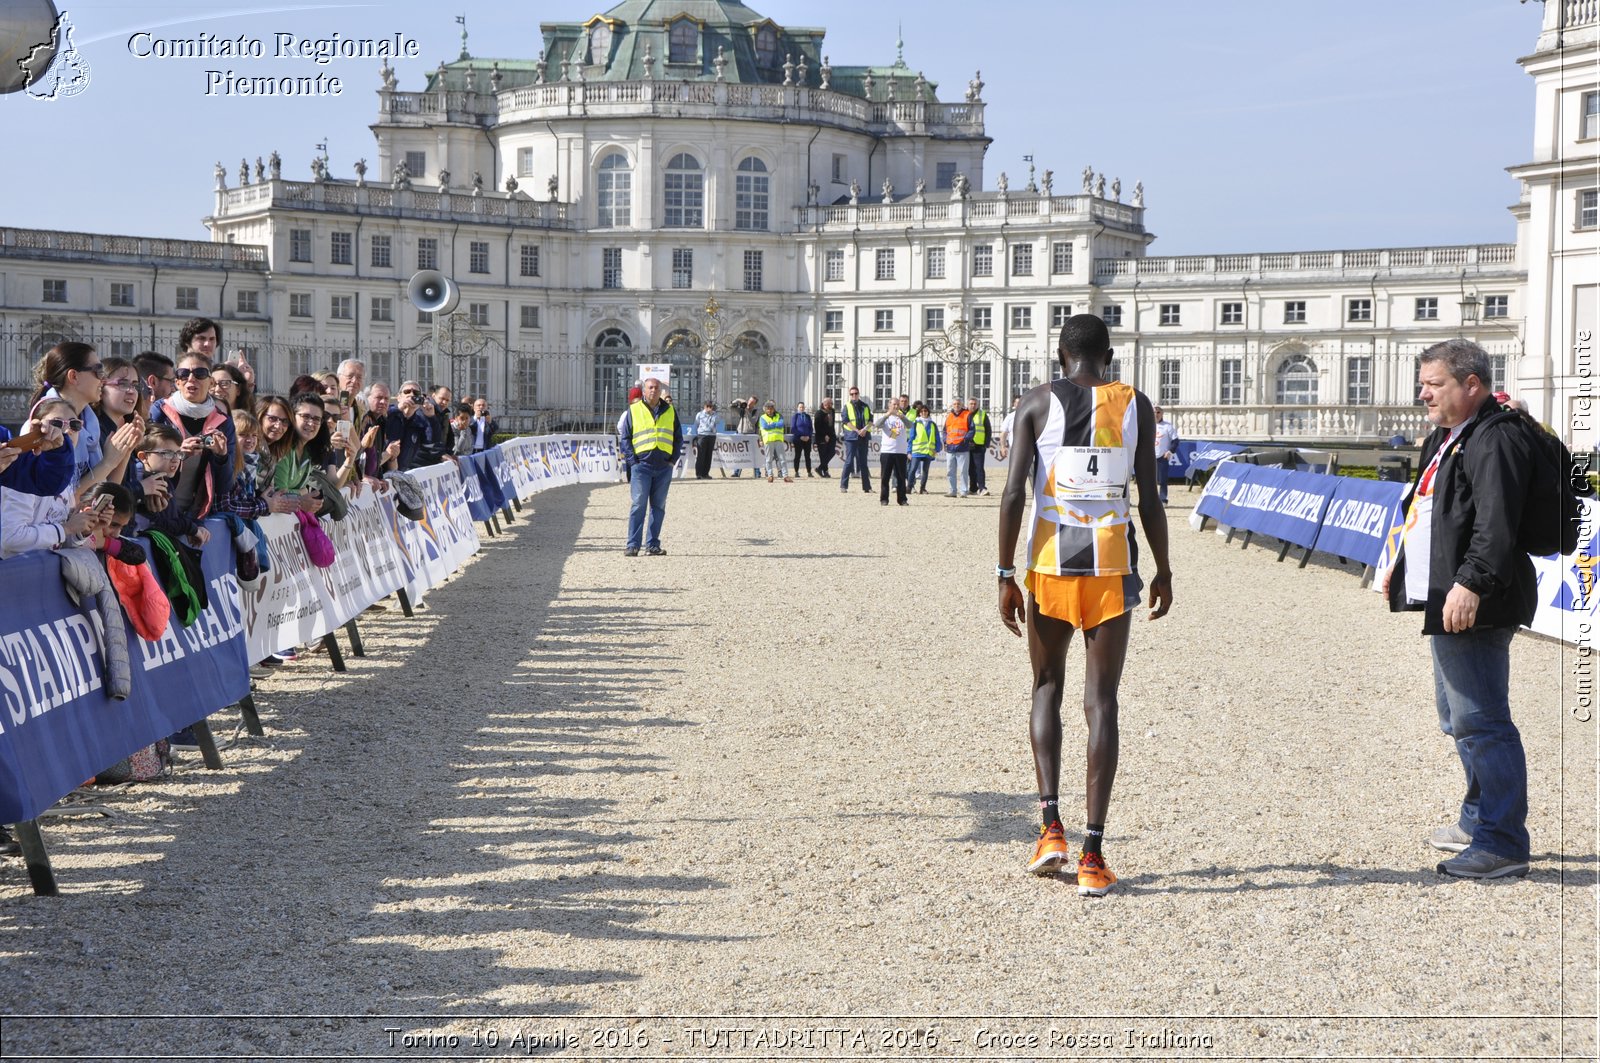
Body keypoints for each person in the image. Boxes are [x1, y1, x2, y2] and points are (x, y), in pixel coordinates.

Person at [997, 314, 1173, 896]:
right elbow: (1150, 496)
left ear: (1059, 354)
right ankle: (1093, 857)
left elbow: (1014, 491)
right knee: (1102, 703)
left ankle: (1051, 829)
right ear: (1110, 355)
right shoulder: (1136, 406)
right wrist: (1165, 570)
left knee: (1045, 687)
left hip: (1050, 566)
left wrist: (1004, 574)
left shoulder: (1036, 402)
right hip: (1111, 569)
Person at [1383, 338, 1536, 880]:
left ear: (1472, 385)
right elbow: (1428, 510)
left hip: (1478, 599)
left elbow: (1497, 524)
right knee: (1458, 719)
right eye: (1422, 382)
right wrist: (1400, 571)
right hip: (1446, 593)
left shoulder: (1494, 438)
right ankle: (1478, 820)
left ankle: (1502, 842)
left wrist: (1469, 584)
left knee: (1482, 721)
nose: (1422, 393)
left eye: (1434, 383)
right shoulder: (1450, 435)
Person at [617, 377, 679, 556]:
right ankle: (633, 545)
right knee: (638, 505)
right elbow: (626, 437)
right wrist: (633, 461)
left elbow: (678, 437)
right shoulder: (634, 410)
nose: (653, 390)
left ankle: (652, 545)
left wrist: (672, 460)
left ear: (661, 391)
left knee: (658, 507)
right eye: (650, 387)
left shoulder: (670, 411)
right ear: (644, 391)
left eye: (656, 388)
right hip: (641, 466)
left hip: (663, 466)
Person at [838, 386, 873, 493]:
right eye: (852, 394)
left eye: (856, 393)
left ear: (858, 394)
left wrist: (864, 430)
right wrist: (857, 430)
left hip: (863, 437)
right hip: (851, 437)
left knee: (863, 463)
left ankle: (867, 487)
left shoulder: (865, 406)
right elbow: (845, 421)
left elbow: (871, 421)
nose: (854, 395)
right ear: (850, 395)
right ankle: (843, 486)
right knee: (849, 461)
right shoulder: (846, 406)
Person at [876, 398, 910, 506]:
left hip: (900, 451)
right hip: (887, 451)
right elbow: (877, 424)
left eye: (897, 404)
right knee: (885, 477)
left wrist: (903, 417)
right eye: (893, 404)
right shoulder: (887, 418)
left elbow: (910, 425)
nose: (896, 406)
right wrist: (887, 415)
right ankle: (884, 499)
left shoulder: (902, 417)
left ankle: (902, 499)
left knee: (901, 477)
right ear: (889, 405)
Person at [942, 398, 973, 497]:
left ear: (962, 405)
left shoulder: (967, 415)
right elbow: (944, 431)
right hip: (950, 448)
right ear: (952, 405)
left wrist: (965, 440)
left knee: (963, 471)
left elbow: (972, 429)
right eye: (954, 404)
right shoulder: (949, 416)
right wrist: (945, 440)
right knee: (950, 471)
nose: (956, 405)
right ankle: (952, 490)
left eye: (958, 404)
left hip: (962, 447)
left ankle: (963, 491)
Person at [908, 402, 941, 493]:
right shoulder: (915, 423)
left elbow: (937, 437)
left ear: (928, 412)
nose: (923, 412)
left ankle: (922, 488)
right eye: (921, 411)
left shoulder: (932, 424)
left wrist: (937, 449)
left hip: (928, 451)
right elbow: (911, 437)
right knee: (913, 469)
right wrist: (909, 451)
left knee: (925, 471)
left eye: (925, 411)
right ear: (919, 413)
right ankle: (909, 487)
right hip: (917, 451)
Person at [758, 401, 791, 483]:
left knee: (782, 459)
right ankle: (770, 475)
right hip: (768, 440)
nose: (769, 410)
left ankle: (785, 476)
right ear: (765, 409)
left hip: (778, 440)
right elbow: (765, 426)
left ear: (773, 409)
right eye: (767, 409)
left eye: (771, 408)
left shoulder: (779, 416)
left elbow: (781, 424)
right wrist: (775, 424)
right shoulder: (762, 417)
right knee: (768, 459)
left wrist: (771, 425)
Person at [1152, 405, 1178, 505]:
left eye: (1158, 412)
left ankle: (1163, 499)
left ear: (1162, 414)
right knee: (1150, 481)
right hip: (1149, 457)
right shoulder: (1146, 425)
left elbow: (1175, 440)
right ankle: (1152, 501)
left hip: (1162, 457)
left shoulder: (1168, 426)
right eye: (1154, 412)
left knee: (1162, 480)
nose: (1156, 414)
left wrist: (1170, 451)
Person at [967, 397, 994, 495]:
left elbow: (988, 429)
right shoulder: (965, 414)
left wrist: (986, 444)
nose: (973, 405)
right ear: (968, 405)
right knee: (970, 468)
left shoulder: (982, 414)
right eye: (971, 403)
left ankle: (982, 488)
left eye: (974, 404)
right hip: (967, 445)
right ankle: (973, 488)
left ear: (977, 405)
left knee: (979, 467)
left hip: (979, 445)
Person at [693, 401, 721, 479]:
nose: (709, 408)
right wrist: (696, 435)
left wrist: (713, 414)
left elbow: (718, 421)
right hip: (702, 435)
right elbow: (696, 424)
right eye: (707, 406)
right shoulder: (700, 414)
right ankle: (699, 474)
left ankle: (705, 473)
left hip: (712, 436)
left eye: (711, 406)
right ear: (704, 406)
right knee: (701, 455)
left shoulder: (715, 414)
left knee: (709, 455)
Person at [814, 397, 838, 478]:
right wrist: (824, 435)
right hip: (821, 437)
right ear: (825, 404)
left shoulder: (832, 411)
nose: (832, 405)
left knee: (832, 452)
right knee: (823, 455)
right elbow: (817, 426)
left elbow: (831, 424)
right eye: (830, 403)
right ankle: (825, 472)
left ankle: (820, 468)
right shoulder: (819, 413)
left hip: (832, 436)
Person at [791, 401, 815, 477]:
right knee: (797, 456)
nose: (802, 408)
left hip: (807, 439)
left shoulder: (807, 416)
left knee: (807, 456)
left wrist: (808, 436)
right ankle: (796, 471)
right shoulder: (795, 416)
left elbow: (811, 428)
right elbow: (793, 429)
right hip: (798, 440)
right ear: (797, 408)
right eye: (800, 407)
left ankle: (809, 472)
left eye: (803, 407)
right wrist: (800, 436)